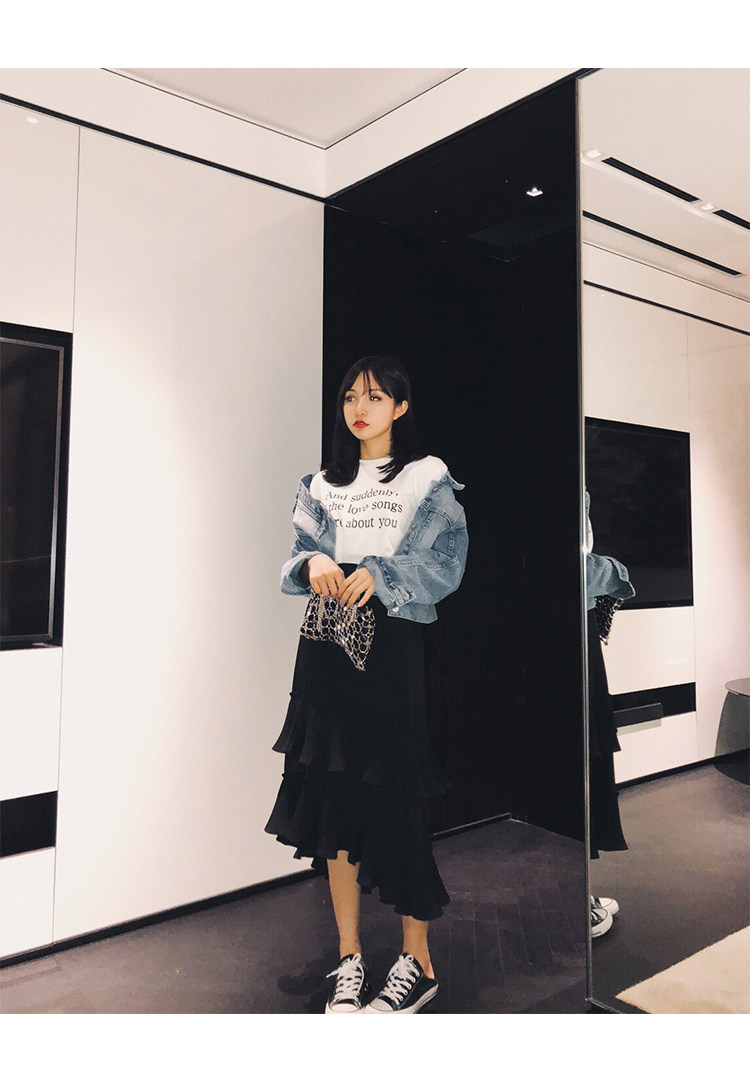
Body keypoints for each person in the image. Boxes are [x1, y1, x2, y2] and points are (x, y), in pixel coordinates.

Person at [265, 356, 469, 1014]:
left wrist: (381, 572)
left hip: (391, 650)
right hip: (326, 649)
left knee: (400, 800)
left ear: (400, 408)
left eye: (376, 397)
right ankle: (349, 957)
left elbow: (448, 561)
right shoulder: (321, 483)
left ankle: (418, 960)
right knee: (335, 803)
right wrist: (313, 562)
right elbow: (295, 555)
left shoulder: (425, 476)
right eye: (352, 396)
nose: (360, 407)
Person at [584, 489, 636, 937]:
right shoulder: (570, 490)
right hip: (572, 636)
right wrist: (614, 571)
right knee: (581, 760)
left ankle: (579, 893)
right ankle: (578, 900)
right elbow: (578, 567)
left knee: (577, 759)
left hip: (554, 632)